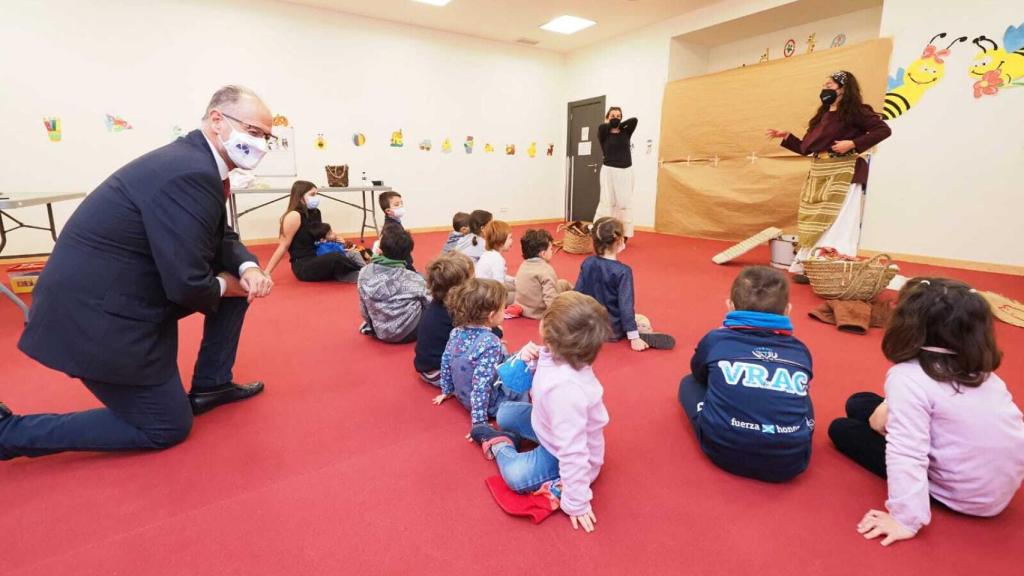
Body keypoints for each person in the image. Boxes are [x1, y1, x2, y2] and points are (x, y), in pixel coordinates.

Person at [0, 85, 275, 460]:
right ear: (217, 121)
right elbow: (186, 285)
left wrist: (247, 268)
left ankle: (212, 384)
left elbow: (218, 234)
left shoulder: (193, 163)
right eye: (254, 132)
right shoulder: (190, 172)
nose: (260, 144)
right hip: (98, 316)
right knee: (167, 425)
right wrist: (228, 283)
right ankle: (9, 434)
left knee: (239, 285)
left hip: (121, 293)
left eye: (266, 138)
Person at [828, 277, 1024, 546]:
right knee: (860, 403)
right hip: (993, 488)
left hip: (960, 494)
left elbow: (907, 451)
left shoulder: (906, 376)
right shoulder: (982, 371)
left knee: (842, 429)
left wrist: (905, 519)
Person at [471, 291, 612, 533]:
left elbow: (574, 452)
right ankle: (513, 435)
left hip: (561, 452)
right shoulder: (554, 354)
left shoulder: (566, 391)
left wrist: (576, 503)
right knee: (505, 413)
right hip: (546, 424)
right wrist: (527, 360)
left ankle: (500, 444)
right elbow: (514, 382)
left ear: (545, 328)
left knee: (516, 476)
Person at [678, 267, 814, 482]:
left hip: (723, 452)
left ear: (730, 306)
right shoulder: (800, 349)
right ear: (788, 310)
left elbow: (699, 373)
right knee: (803, 393)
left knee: (688, 383)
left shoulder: (715, 340)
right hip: (790, 461)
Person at [766, 70, 892, 281]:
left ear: (843, 89)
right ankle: (811, 266)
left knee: (838, 221)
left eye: (831, 86)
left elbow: (883, 130)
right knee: (816, 221)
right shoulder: (823, 116)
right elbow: (807, 148)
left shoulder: (856, 112)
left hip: (844, 174)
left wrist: (853, 144)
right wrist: (788, 137)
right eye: (824, 86)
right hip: (820, 173)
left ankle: (832, 270)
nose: (826, 89)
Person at [432, 278, 524, 428]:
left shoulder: (456, 331)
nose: (505, 310)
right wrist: (479, 422)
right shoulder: (491, 342)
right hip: (490, 404)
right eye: (503, 308)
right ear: (491, 315)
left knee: (505, 351)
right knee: (522, 364)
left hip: (463, 396)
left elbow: (446, 361)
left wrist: (447, 390)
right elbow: (482, 384)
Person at [574, 217, 675, 352]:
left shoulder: (588, 262)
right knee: (643, 320)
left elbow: (577, 294)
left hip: (590, 326)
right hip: (612, 330)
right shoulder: (622, 272)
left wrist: (573, 323)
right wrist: (634, 338)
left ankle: (633, 331)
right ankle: (638, 333)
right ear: (619, 241)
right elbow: (625, 305)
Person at [265, 180, 365, 283]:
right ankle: (364, 273)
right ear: (300, 197)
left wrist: (334, 239)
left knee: (353, 253)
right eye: (312, 194)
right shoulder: (293, 216)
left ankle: (359, 272)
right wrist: (267, 272)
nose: (316, 198)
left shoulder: (316, 212)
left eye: (316, 194)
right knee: (335, 258)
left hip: (319, 255)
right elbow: (283, 246)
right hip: (304, 265)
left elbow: (320, 237)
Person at [357, 223, 428, 343]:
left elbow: (364, 305)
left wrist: (371, 325)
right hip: (407, 333)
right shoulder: (412, 278)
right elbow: (429, 302)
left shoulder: (364, 272)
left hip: (379, 330)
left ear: (380, 250)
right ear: (408, 254)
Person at [414, 252, 475, 385]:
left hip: (426, 368)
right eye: (471, 282)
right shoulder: (454, 312)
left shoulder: (438, 304)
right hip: (438, 373)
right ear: (457, 289)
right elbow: (474, 339)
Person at [595, 107, 638, 240]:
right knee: (609, 202)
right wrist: (612, 123)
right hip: (609, 171)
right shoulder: (604, 133)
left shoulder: (626, 132)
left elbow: (634, 121)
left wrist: (620, 124)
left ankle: (624, 233)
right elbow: (603, 127)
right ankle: (605, 231)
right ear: (607, 117)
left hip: (626, 171)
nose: (616, 118)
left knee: (624, 203)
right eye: (612, 115)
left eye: (618, 116)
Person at [513, 229, 573, 319]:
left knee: (562, 283)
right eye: (551, 249)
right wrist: (557, 316)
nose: (552, 251)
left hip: (525, 308)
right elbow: (550, 298)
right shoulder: (546, 270)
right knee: (566, 287)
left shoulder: (524, 265)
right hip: (539, 312)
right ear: (543, 253)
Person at [475, 220, 516, 305]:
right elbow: (500, 287)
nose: (512, 241)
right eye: (510, 238)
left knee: (516, 286)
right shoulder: (497, 260)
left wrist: (513, 280)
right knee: (520, 295)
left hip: (483, 291)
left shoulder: (488, 254)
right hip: (489, 297)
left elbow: (498, 275)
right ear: (501, 240)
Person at [372, 191, 414, 271]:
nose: (401, 206)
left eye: (401, 203)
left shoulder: (395, 222)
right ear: (388, 211)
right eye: (397, 205)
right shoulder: (391, 228)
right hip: (401, 264)